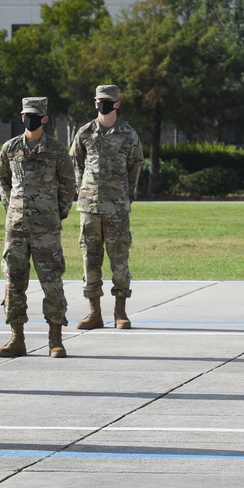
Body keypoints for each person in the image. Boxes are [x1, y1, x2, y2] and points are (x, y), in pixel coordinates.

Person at [0, 97, 76, 358]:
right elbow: (3, 183)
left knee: (52, 283)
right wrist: (13, 211)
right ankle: (17, 338)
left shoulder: (56, 149)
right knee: (13, 284)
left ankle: (55, 339)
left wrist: (57, 213)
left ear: (44, 119)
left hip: (46, 230)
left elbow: (67, 185)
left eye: (35, 115)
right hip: (16, 229)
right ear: (22, 117)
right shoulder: (10, 148)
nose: (30, 119)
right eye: (26, 114)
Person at [70, 84, 144, 330]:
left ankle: (120, 313)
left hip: (117, 209)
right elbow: (76, 163)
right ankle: (94, 313)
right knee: (90, 260)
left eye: (108, 100)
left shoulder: (128, 134)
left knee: (119, 260)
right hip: (89, 209)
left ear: (117, 103)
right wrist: (82, 191)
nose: (104, 104)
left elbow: (135, 165)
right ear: (95, 103)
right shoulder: (84, 133)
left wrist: (127, 196)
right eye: (100, 100)